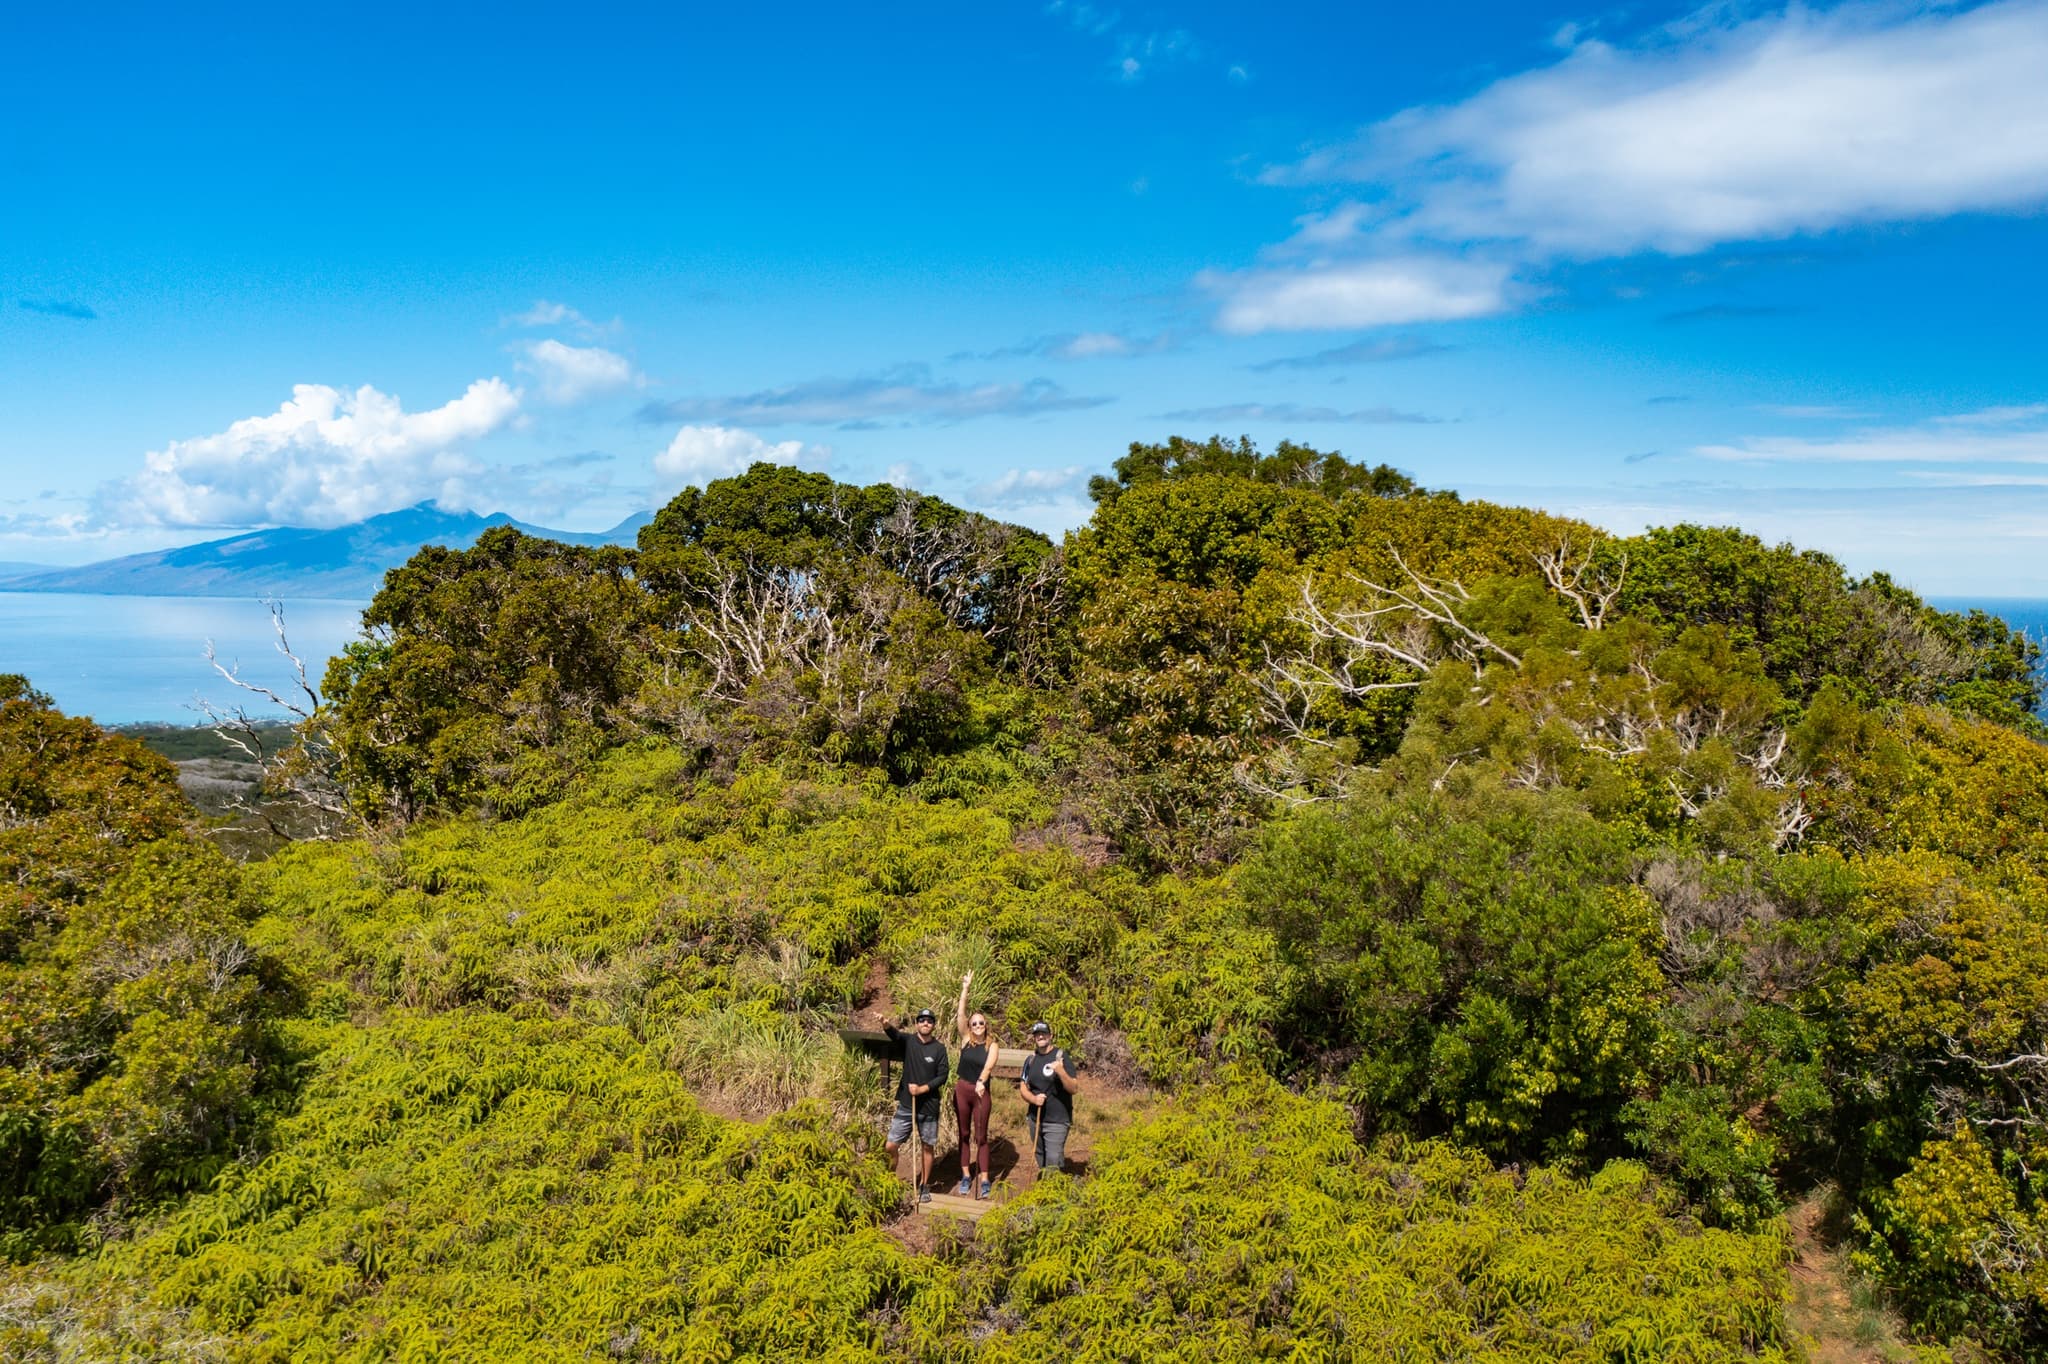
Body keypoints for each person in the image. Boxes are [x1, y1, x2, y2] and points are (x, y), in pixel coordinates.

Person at [882, 1006, 949, 1202]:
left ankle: (924, 1186)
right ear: (916, 1023)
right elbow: (895, 1035)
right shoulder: (909, 1041)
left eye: (929, 1021)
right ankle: (889, 1179)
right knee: (890, 1145)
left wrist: (922, 1089)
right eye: (922, 1020)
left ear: (933, 1025)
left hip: (929, 1106)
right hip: (906, 1104)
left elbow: (943, 1076)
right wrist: (885, 1024)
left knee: (927, 1146)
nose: (925, 1023)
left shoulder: (939, 1049)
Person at [950, 971, 998, 1200]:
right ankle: (966, 1175)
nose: (978, 1025)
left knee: (981, 1136)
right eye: (974, 1023)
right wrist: (965, 989)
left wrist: (981, 1081)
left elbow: (988, 1066)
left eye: (981, 1023)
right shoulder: (965, 1039)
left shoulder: (992, 1045)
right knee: (963, 1133)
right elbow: (960, 1014)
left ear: (986, 1026)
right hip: (962, 1090)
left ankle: (985, 1178)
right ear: (970, 1026)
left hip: (981, 1092)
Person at [1018, 1020, 1081, 1176]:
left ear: (1050, 1035)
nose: (1040, 1037)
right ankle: (1047, 1185)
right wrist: (1033, 1099)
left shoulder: (1061, 1057)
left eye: (1043, 1033)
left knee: (1053, 1160)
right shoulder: (1030, 1060)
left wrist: (1060, 1071)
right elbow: (1023, 1086)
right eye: (1037, 1034)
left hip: (1057, 1120)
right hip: (1035, 1119)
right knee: (1040, 1155)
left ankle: (1054, 1187)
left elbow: (1073, 1088)